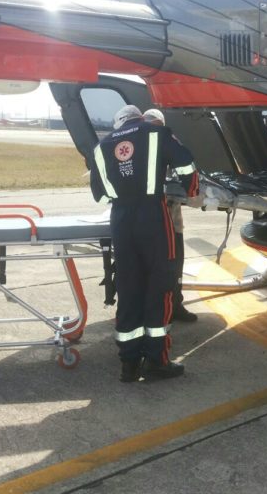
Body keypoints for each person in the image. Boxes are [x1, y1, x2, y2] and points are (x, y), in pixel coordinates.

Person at [90, 104, 199, 382]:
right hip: (153, 216)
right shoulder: (157, 132)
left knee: (128, 288)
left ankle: (129, 365)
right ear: (140, 117)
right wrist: (192, 190)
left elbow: (99, 195)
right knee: (160, 287)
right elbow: (186, 163)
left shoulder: (102, 146)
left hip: (121, 219)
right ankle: (156, 361)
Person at [142, 108, 198, 323]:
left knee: (171, 267)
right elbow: (186, 170)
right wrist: (194, 193)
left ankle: (173, 304)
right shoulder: (167, 139)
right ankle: (169, 306)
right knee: (171, 265)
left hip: (156, 220)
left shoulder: (134, 141)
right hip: (165, 222)